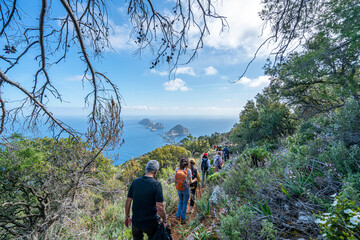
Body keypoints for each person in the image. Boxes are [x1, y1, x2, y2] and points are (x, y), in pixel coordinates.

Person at [125, 160, 167, 240]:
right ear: (156, 171)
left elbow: (128, 201)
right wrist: (164, 220)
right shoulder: (156, 184)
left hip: (136, 222)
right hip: (150, 223)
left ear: (146, 169)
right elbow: (160, 207)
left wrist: (127, 216)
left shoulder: (135, 182)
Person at [175, 157, 197, 224]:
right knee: (185, 203)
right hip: (186, 188)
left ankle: (178, 216)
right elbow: (190, 182)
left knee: (180, 201)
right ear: (187, 164)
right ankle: (183, 218)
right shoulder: (188, 171)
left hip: (179, 188)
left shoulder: (177, 169)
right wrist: (195, 180)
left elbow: (175, 179)